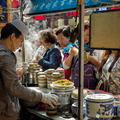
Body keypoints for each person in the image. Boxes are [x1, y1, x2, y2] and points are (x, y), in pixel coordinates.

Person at [0, 19, 58, 120]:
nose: (21, 45)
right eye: (21, 40)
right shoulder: (5, 56)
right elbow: (14, 87)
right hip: (4, 113)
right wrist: (42, 97)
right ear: (13, 36)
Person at [63, 24, 103, 89]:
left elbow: (101, 66)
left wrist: (90, 58)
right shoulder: (72, 47)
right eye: (82, 35)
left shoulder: (97, 47)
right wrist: (71, 55)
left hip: (93, 85)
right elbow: (65, 66)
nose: (85, 38)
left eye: (88, 34)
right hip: (75, 84)